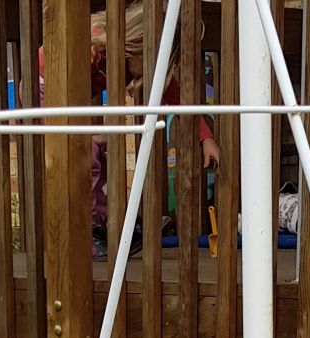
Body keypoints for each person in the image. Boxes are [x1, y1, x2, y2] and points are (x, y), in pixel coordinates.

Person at [38, 4, 220, 257]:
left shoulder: (129, 56)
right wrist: (81, 48)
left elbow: (179, 101)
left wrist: (206, 138)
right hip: (46, 89)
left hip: (74, 101)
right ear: (135, 43)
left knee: (98, 158)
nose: (146, 73)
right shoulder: (95, 38)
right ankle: (85, 234)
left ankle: (105, 226)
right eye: (147, 64)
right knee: (86, 155)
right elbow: (48, 61)